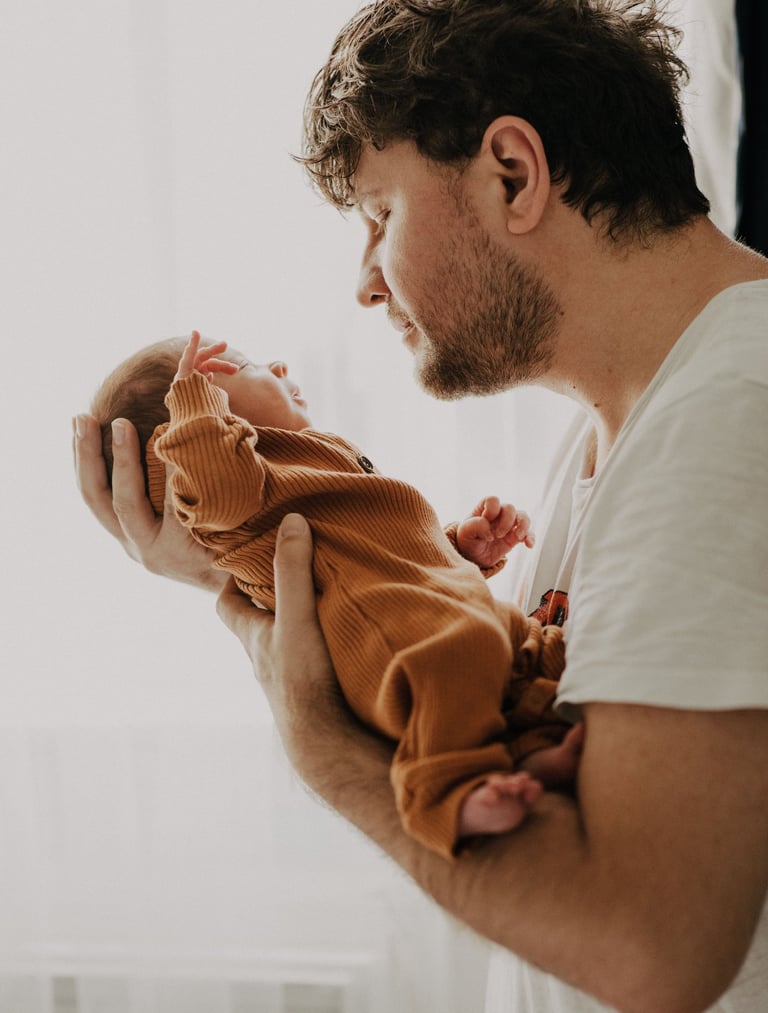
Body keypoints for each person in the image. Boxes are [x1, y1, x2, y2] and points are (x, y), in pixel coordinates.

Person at [74, 1, 768, 1010]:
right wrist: (242, 568)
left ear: (513, 174)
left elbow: (650, 949)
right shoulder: (631, 420)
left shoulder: (727, 417)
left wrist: (326, 752)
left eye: (380, 215)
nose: (365, 284)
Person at [91, 329, 580, 859]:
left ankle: (533, 751)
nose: (279, 366)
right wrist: (190, 402)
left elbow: (384, 557)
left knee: (535, 648)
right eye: (245, 364)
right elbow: (217, 485)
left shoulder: (312, 471)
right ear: (193, 428)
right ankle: (446, 792)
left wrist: (460, 548)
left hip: (431, 615)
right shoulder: (237, 491)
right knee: (461, 659)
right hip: (397, 643)